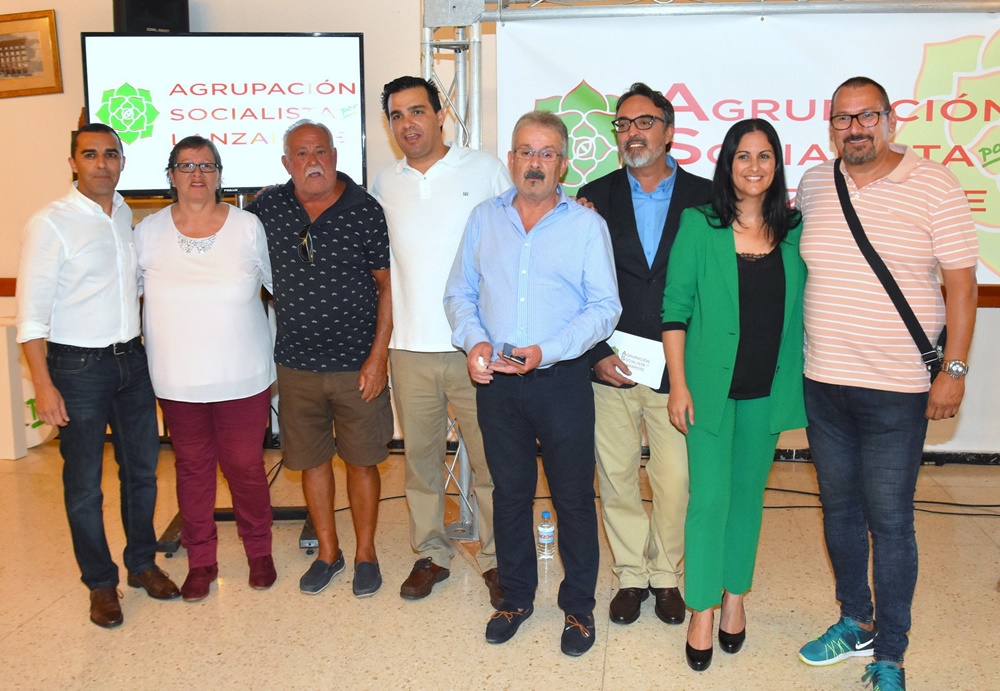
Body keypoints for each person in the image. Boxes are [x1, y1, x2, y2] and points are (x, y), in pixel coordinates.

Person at [795, 77, 978, 690]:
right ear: (831, 127)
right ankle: (856, 621)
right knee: (839, 511)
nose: (855, 128)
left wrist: (954, 370)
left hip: (899, 389)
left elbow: (961, 286)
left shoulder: (935, 184)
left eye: (866, 116)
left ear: (890, 120)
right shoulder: (815, 184)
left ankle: (891, 652)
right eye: (843, 118)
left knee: (891, 521)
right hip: (824, 383)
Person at [444, 111, 622, 657]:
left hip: (562, 381)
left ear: (563, 164)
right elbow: (459, 293)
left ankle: (579, 607)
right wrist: (475, 342)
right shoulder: (484, 218)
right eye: (526, 151)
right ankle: (516, 598)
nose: (535, 163)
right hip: (498, 385)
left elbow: (605, 307)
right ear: (511, 159)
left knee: (573, 498)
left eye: (547, 153)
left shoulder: (585, 226)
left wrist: (548, 350)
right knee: (510, 494)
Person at [15, 122, 180, 628]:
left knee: (142, 473)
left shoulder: (125, 215)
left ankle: (142, 564)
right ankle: (101, 584)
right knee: (84, 485)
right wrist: (44, 385)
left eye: (111, 154)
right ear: (73, 163)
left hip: (131, 361)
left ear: (123, 163)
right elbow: (31, 315)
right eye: (90, 155)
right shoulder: (51, 223)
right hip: (77, 369)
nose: (102, 164)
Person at [662, 119, 806, 672]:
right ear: (727, 164)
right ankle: (701, 607)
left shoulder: (794, 229)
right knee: (708, 501)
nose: (754, 166)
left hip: (768, 390)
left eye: (764, 156)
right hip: (708, 392)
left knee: (747, 499)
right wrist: (679, 384)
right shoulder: (700, 224)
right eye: (743, 156)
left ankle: (735, 598)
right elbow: (675, 308)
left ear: (777, 165)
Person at [371, 76, 511, 606]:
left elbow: (517, 237)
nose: (407, 123)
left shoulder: (485, 169)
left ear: (439, 115)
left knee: (492, 461)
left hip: (474, 347)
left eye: (417, 111)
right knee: (421, 464)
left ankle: (497, 558)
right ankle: (431, 552)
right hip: (409, 347)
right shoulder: (384, 183)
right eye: (397, 115)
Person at [577, 82, 711, 627]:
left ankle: (667, 575)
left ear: (669, 131)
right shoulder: (593, 195)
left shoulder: (707, 197)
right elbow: (575, 284)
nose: (633, 133)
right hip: (610, 363)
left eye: (645, 122)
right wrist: (594, 351)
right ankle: (632, 574)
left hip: (678, 369)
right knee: (615, 476)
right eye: (623, 124)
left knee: (675, 481)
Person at [246, 120, 393, 599]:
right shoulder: (267, 208)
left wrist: (378, 357)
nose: (313, 161)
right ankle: (329, 552)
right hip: (296, 366)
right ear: (286, 163)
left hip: (357, 365)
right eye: (302, 153)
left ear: (335, 155)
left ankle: (366, 554)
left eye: (321, 151)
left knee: (362, 462)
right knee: (311, 462)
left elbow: (387, 286)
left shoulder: (364, 209)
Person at [135, 136, 276, 602]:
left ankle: (259, 552)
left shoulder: (248, 226)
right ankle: (201, 562)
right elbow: (128, 298)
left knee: (245, 466)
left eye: (207, 166)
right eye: (186, 166)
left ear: (220, 175)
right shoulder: (147, 232)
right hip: (177, 381)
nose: (197, 174)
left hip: (243, 377)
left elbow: (278, 290)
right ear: (170, 175)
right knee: (193, 470)